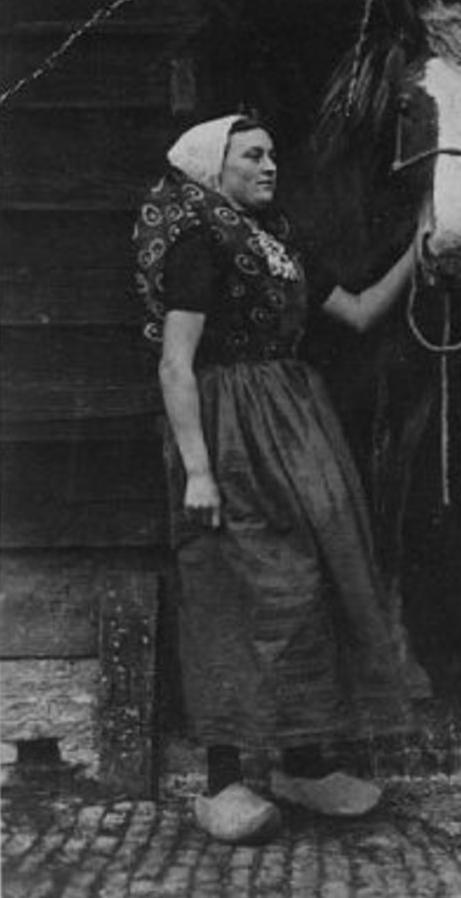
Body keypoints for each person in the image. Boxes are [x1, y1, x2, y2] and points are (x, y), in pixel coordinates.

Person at [134, 114, 427, 845]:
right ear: (214, 167)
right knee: (234, 587)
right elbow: (175, 364)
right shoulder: (200, 241)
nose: (270, 166)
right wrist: (198, 469)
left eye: (272, 153)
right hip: (227, 423)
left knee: (308, 581)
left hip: (294, 419)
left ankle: (303, 763)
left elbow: (356, 313)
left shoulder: (277, 241)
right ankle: (223, 780)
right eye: (253, 155)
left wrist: (417, 252)